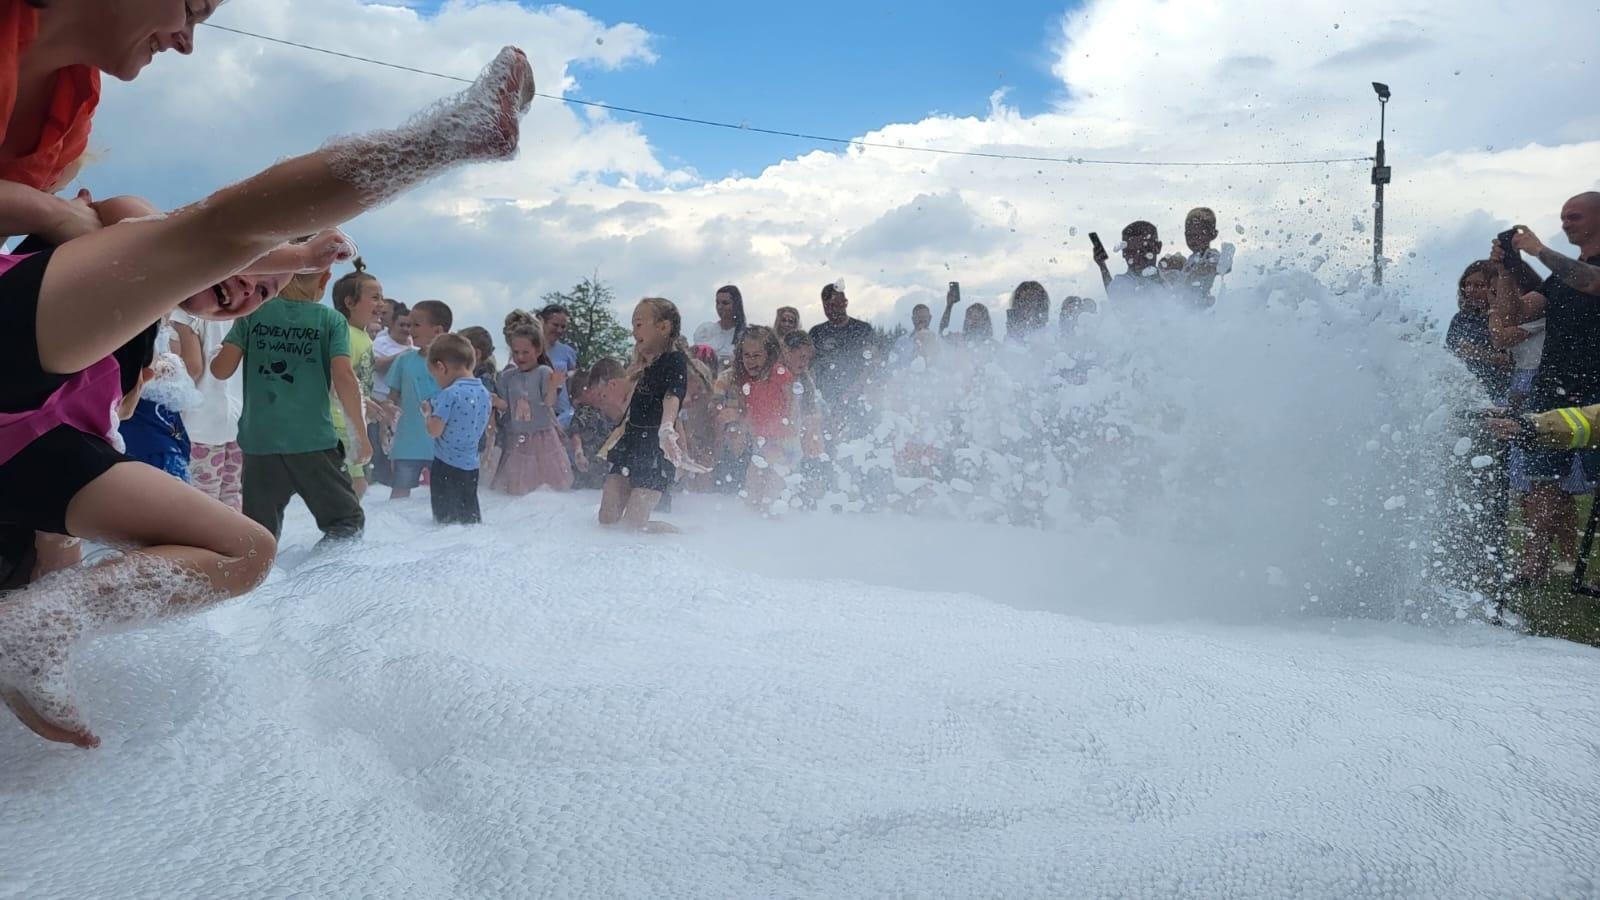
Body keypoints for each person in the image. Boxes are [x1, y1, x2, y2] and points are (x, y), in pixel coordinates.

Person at [0, 38, 535, 747]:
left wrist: (45, 610)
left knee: (245, 552)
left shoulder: (136, 352)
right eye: (258, 270)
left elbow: (66, 488)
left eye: (267, 293)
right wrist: (53, 215)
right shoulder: (114, 236)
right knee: (195, 242)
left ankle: (30, 628)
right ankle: (445, 138)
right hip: (15, 362)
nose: (253, 289)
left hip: (24, 460)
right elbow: (205, 230)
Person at [212, 266, 370, 543]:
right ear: (324, 279)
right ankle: (325, 579)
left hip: (259, 442)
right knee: (346, 521)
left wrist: (220, 352)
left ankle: (264, 583)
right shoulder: (331, 320)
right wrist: (361, 435)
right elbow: (344, 377)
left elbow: (220, 370)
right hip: (312, 442)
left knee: (258, 533)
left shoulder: (254, 314)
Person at [1489, 200, 1600, 583]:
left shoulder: (1583, 271)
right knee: (1541, 478)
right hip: (1553, 386)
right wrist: (1506, 271)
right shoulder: (1557, 279)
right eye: (1562, 218)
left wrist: (1537, 251)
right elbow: (1513, 317)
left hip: (1596, 391)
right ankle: (1534, 562)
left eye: (1575, 216)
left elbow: (1591, 281)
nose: (1565, 223)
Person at [599, 298, 701, 531]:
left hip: (654, 450)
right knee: (607, 519)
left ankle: (683, 537)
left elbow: (672, 397)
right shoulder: (642, 367)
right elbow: (629, 412)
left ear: (663, 327)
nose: (633, 331)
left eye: (638, 324)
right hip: (630, 445)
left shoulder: (674, 362)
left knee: (634, 525)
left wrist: (667, 429)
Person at [172, 294, 245, 510]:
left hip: (201, 423)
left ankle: (204, 543)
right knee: (231, 493)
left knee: (203, 500)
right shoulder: (240, 309)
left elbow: (193, 368)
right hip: (238, 420)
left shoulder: (186, 312)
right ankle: (232, 540)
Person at [492, 322, 572, 495]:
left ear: (538, 350)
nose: (520, 357)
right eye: (516, 352)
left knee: (546, 486)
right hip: (517, 437)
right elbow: (507, 406)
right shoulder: (508, 376)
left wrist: (552, 386)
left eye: (525, 352)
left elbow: (549, 403)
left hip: (542, 436)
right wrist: (494, 400)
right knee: (517, 488)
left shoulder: (543, 372)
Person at [387, 299, 454, 500]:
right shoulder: (404, 360)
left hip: (444, 444)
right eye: (409, 324)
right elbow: (392, 397)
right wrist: (387, 412)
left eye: (416, 324)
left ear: (438, 331)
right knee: (399, 496)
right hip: (407, 442)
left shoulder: (453, 365)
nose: (410, 329)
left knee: (444, 498)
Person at [422, 333, 491, 525]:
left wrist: (428, 413)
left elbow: (434, 431)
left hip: (446, 466)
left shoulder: (449, 394)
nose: (435, 380)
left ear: (441, 367)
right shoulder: (485, 393)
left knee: (444, 522)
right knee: (470, 519)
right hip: (471, 466)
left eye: (434, 375)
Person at [329, 261, 382, 499]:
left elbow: (357, 380)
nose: (381, 303)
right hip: (341, 423)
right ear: (350, 303)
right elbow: (338, 378)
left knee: (355, 486)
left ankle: (342, 531)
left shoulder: (363, 337)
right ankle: (343, 532)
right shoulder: (346, 334)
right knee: (355, 486)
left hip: (349, 420)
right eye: (374, 297)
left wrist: (371, 403)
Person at [807, 279, 875, 435]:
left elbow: (872, 362)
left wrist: (855, 389)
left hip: (856, 398)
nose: (833, 310)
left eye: (837, 304)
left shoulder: (862, 329)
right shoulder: (816, 332)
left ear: (846, 302)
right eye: (828, 306)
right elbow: (809, 367)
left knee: (858, 443)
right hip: (825, 400)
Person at [369, 300, 412, 486]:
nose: (406, 328)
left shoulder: (413, 346)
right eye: (402, 324)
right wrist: (400, 358)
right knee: (378, 446)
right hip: (378, 401)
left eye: (409, 325)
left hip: (402, 406)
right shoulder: (380, 342)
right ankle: (378, 480)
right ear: (392, 324)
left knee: (398, 447)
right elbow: (375, 364)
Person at [570, 357, 625, 490]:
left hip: (605, 462)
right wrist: (579, 452)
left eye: (602, 395)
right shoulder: (583, 412)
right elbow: (574, 433)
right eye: (599, 394)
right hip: (590, 461)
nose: (600, 398)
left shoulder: (608, 411)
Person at [459, 325, 501, 484]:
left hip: (482, 446)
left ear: (475, 354)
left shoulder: (483, 380)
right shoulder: (470, 378)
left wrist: (489, 448)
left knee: (476, 489)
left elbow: (488, 413)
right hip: (476, 445)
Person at [1098, 221, 1167, 301]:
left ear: (1158, 247)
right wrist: (1102, 266)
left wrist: (1102, 266)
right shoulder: (1121, 285)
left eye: (1144, 250)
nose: (1138, 259)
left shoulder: (1172, 279)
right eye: (1131, 252)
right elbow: (1114, 294)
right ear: (1123, 253)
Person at [539, 303, 580, 430]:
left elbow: (575, 383)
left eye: (563, 327)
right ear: (542, 322)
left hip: (562, 413)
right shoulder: (531, 351)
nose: (559, 330)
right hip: (539, 412)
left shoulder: (568, 352)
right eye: (555, 325)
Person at [1179, 207, 1227, 307]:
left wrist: (1210, 266)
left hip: (1201, 302)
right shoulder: (1191, 258)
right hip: (1188, 301)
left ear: (1213, 234)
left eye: (1198, 235)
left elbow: (1225, 265)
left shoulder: (1210, 254)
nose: (1193, 240)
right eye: (1189, 235)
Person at [693, 285, 746, 366]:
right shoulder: (705, 330)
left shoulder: (745, 334)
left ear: (736, 305)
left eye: (725, 303)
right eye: (717, 303)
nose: (720, 307)